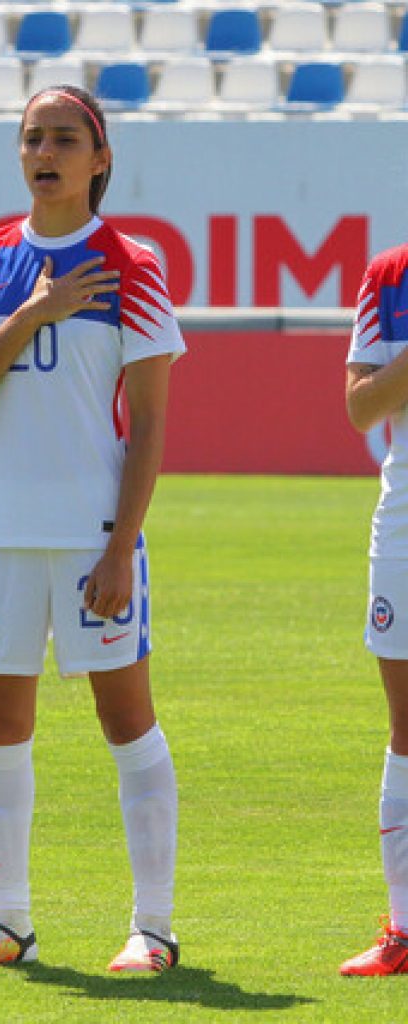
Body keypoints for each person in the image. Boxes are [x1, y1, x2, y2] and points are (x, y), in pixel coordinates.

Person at [0, 85, 185, 972]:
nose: (46, 152)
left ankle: (152, 928)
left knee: (128, 724)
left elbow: (150, 421)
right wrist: (32, 313)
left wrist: (121, 545)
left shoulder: (134, 262)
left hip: (91, 535)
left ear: (99, 158)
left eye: (65, 138)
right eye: (33, 137)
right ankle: (9, 924)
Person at [341, 245, 408, 976]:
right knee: (407, 727)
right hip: (405, 526)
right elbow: (361, 406)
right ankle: (404, 929)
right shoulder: (390, 276)